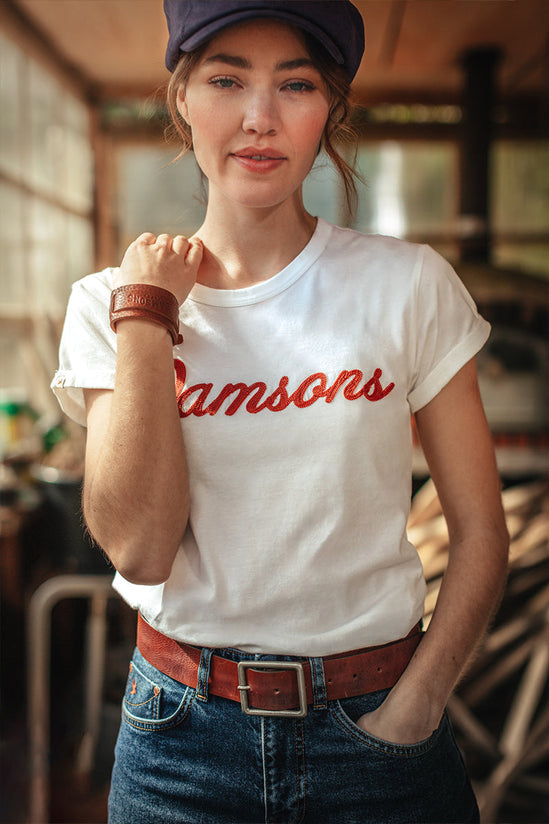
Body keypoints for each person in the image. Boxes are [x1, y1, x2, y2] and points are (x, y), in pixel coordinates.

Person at [51, 2, 509, 822]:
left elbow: (479, 530)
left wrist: (418, 704)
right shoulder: (110, 303)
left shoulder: (406, 285)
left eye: (294, 84)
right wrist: (148, 312)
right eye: (226, 79)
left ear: (328, 109)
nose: (259, 119)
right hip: (178, 741)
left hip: (376, 732)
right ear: (182, 96)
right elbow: (140, 548)